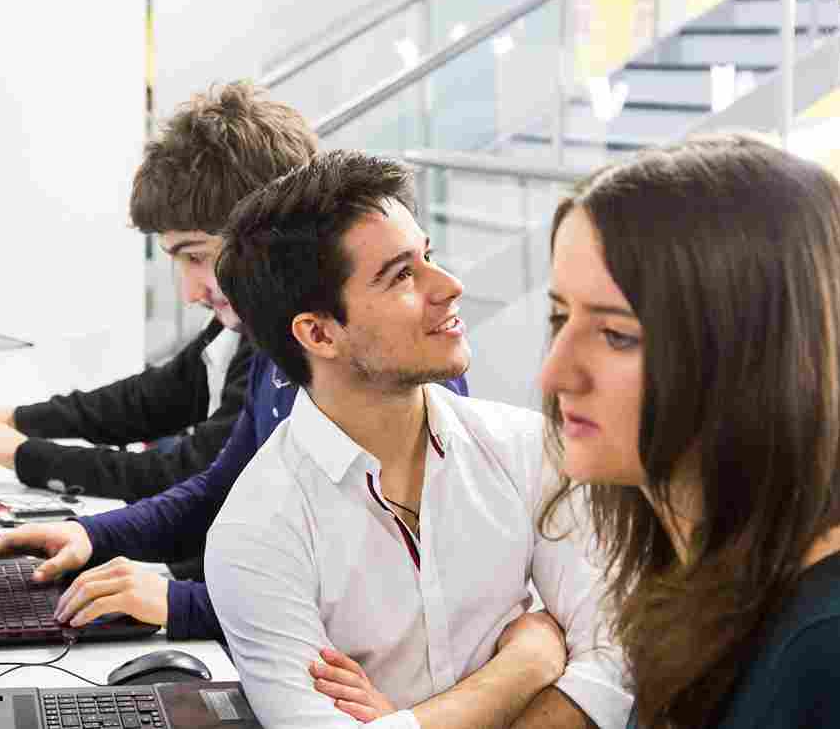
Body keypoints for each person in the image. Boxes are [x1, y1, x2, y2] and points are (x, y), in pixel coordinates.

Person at [537, 136, 840, 728]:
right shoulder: (709, 588)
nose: (554, 372)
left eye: (616, 336)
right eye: (560, 318)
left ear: (751, 361)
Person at [204, 151, 631, 729]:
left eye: (428, 255)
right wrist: (523, 666)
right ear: (319, 333)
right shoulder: (257, 531)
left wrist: (407, 720)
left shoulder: (530, 449)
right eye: (402, 274)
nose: (450, 286)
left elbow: (615, 661)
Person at [0, 81, 317, 503]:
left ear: (262, 233)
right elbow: (159, 396)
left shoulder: (292, 349)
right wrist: (20, 419)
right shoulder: (249, 323)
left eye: (196, 257)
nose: (190, 293)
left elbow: (186, 474)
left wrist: (26, 456)